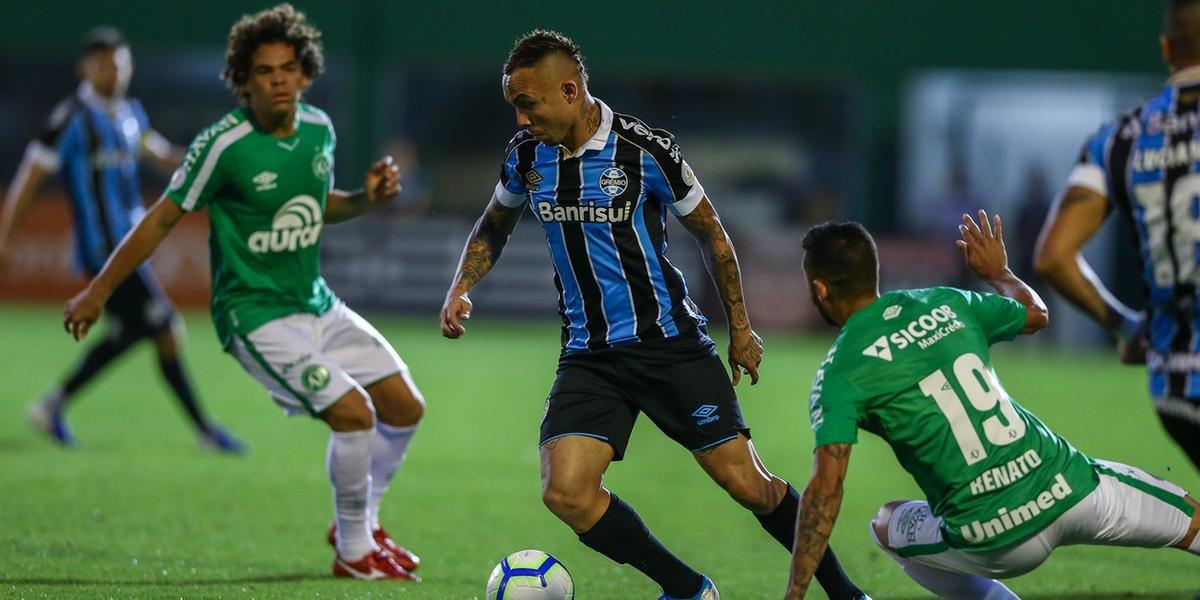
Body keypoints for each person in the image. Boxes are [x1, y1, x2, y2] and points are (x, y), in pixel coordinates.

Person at [439, 30, 867, 600]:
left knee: (748, 485)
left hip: (669, 346)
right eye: (515, 106)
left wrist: (740, 328)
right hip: (588, 355)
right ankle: (687, 589)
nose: (520, 119)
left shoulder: (645, 150)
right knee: (566, 492)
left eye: (528, 103)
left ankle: (845, 593)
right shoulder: (526, 157)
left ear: (569, 90)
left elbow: (713, 234)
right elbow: (495, 222)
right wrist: (462, 284)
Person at [62, 5, 424, 582]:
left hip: (316, 302)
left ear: (306, 74)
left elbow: (315, 205)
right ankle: (354, 552)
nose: (278, 78)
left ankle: (360, 523)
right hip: (255, 317)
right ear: (243, 80)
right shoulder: (222, 145)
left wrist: (366, 200)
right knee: (355, 415)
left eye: (288, 67)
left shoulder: (318, 130)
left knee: (405, 407)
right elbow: (159, 220)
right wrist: (99, 291)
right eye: (264, 70)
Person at [786, 212, 1200, 598]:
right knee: (1191, 521)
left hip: (990, 540)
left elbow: (826, 489)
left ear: (819, 288)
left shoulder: (838, 373)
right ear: (871, 272)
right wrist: (998, 273)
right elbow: (1036, 314)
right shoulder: (944, 303)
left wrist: (795, 593)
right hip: (1067, 489)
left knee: (886, 523)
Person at [0, 27, 243, 453]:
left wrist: (210, 161)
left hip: (133, 245)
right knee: (165, 328)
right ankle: (205, 430)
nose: (113, 72)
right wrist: (5, 238)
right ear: (85, 69)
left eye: (119, 63)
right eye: (103, 64)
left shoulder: (131, 113)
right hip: (102, 250)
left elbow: (160, 152)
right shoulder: (71, 117)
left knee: (134, 331)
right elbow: (29, 176)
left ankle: (52, 405)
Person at [1036, 0, 1200, 471]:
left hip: (1174, 389)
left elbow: (1053, 256)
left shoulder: (1118, 138)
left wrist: (1127, 327)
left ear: (1167, 48)